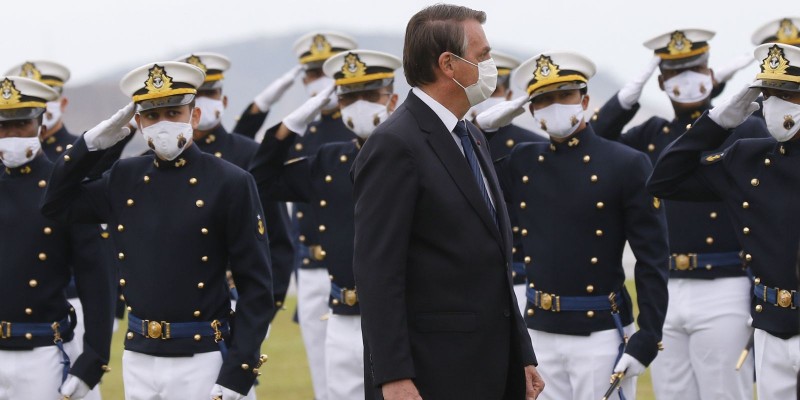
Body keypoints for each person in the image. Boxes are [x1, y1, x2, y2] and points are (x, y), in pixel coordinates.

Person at [41, 61, 273, 400]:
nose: (162, 124)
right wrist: (92, 145)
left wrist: (239, 371)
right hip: (139, 356)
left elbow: (256, 287)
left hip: (202, 356)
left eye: (173, 113)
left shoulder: (230, 182)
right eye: (151, 116)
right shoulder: (124, 177)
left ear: (193, 117)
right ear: (138, 123)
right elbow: (55, 205)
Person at [351, 5, 543, 399]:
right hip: (433, 372)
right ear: (449, 65)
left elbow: (493, 261)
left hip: (490, 364)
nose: (491, 66)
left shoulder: (469, 135)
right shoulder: (395, 145)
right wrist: (393, 376)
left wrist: (521, 354)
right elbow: (378, 273)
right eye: (483, 56)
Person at [586, 29, 763, 399]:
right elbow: (594, 147)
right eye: (676, 71)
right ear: (662, 81)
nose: (688, 77)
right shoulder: (651, 135)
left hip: (724, 281)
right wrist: (625, 99)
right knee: (671, 391)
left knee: (724, 391)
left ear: (711, 73)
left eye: (697, 67)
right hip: (664, 286)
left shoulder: (739, 129)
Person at [481, 50, 669, 400]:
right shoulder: (524, 160)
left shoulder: (626, 164)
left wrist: (648, 335)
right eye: (544, 99)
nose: (555, 106)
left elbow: (652, 259)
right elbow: (469, 172)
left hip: (599, 333)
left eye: (564, 95)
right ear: (532, 110)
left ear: (584, 99)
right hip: (538, 331)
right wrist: (483, 129)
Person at [647, 42, 800, 400]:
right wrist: (717, 122)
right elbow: (664, 180)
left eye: (788, 93)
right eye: (768, 93)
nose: (774, 103)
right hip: (771, 327)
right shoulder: (749, 157)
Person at [250, 49, 400, 400]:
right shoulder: (331, 160)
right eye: (349, 97)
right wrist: (294, 121)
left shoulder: (410, 153)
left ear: (392, 99)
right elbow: (261, 180)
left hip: (397, 315)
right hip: (341, 313)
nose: (359, 105)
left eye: (369, 95)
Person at [5, 59, 116, 400]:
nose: (10, 135)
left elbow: (97, 279)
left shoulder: (63, 190)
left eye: (21, 124)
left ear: (40, 123)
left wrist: (93, 358)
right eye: (2, 126)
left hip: (41, 351)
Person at [175, 52, 294, 321]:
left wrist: (268, 302)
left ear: (224, 100)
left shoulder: (252, 154)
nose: (203, 102)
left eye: (210, 93)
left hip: (239, 295)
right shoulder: (158, 162)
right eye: (195, 94)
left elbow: (277, 235)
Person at [471, 50, 545, 315]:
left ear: (510, 95)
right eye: (482, 90)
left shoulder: (534, 145)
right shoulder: (453, 141)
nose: (489, 98)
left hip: (521, 278)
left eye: (496, 89)